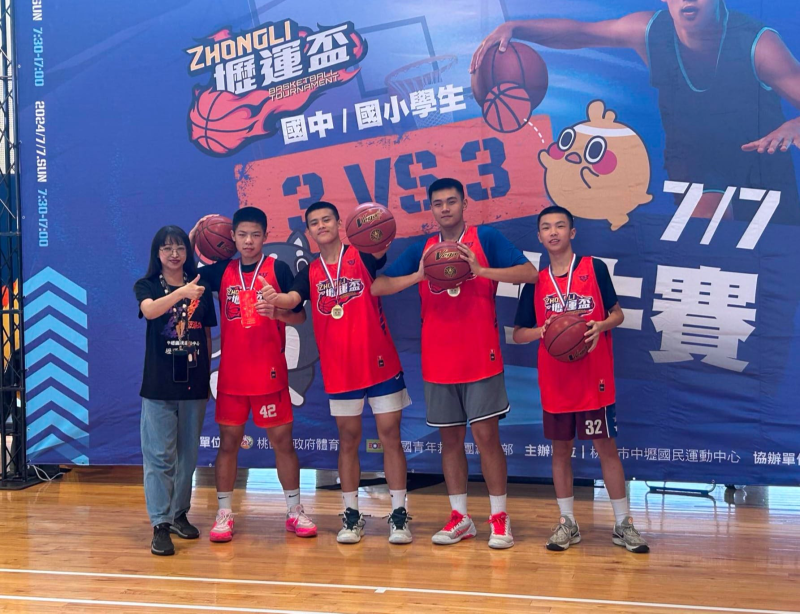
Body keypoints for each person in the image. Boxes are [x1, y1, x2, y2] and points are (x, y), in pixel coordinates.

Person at [471, 0, 800, 223]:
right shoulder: (649, 30)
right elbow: (581, 33)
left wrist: (795, 125)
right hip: (694, 162)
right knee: (706, 235)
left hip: (758, 165)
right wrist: (517, 28)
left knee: (772, 265)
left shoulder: (758, 44)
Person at [371, 178, 538, 549]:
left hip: (481, 357)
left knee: (486, 438)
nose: (445, 208)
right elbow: (377, 287)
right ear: (431, 208)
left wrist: (482, 271)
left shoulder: (485, 239)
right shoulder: (423, 249)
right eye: (438, 203)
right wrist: (418, 275)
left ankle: (499, 518)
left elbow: (530, 273)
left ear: (464, 203)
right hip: (438, 360)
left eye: (451, 201)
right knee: (450, 441)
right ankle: (460, 517)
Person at [263, 201, 412, 544]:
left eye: (326, 219)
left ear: (339, 223)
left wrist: (380, 226)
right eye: (314, 222)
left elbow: (381, 243)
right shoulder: (310, 271)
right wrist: (275, 298)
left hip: (380, 363)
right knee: (348, 440)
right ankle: (352, 514)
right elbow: (293, 300)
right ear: (309, 231)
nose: (321, 226)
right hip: (340, 369)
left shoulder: (363, 254)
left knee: (390, 435)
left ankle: (399, 514)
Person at [512, 205, 649, 553]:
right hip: (556, 381)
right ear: (539, 236)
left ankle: (623, 523)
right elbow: (518, 334)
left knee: (606, 448)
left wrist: (600, 325)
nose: (553, 232)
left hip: (594, 378)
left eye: (560, 226)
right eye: (546, 227)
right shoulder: (535, 281)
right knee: (561, 450)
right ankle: (567, 523)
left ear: (572, 232)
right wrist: (543, 331)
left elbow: (618, 314)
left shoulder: (594, 268)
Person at [190, 207, 316, 542]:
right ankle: (224, 513)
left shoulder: (278, 268)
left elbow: (300, 318)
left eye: (255, 235)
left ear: (265, 236)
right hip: (232, 376)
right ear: (232, 236)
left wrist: (277, 312)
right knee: (228, 444)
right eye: (243, 235)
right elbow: (185, 271)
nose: (248, 241)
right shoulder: (221, 271)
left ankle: (294, 511)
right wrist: (193, 237)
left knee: (282, 442)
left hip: (269, 372)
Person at [134, 226, 216, 556]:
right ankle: (160, 524)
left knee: (188, 456)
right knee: (159, 456)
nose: (174, 254)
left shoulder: (201, 287)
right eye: (167, 248)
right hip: (159, 383)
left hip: (193, 381)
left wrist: (206, 377)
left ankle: (179, 514)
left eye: (180, 247)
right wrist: (182, 293)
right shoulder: (147, 285)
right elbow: (150, 310)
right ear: (157, 254)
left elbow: (207, 334)